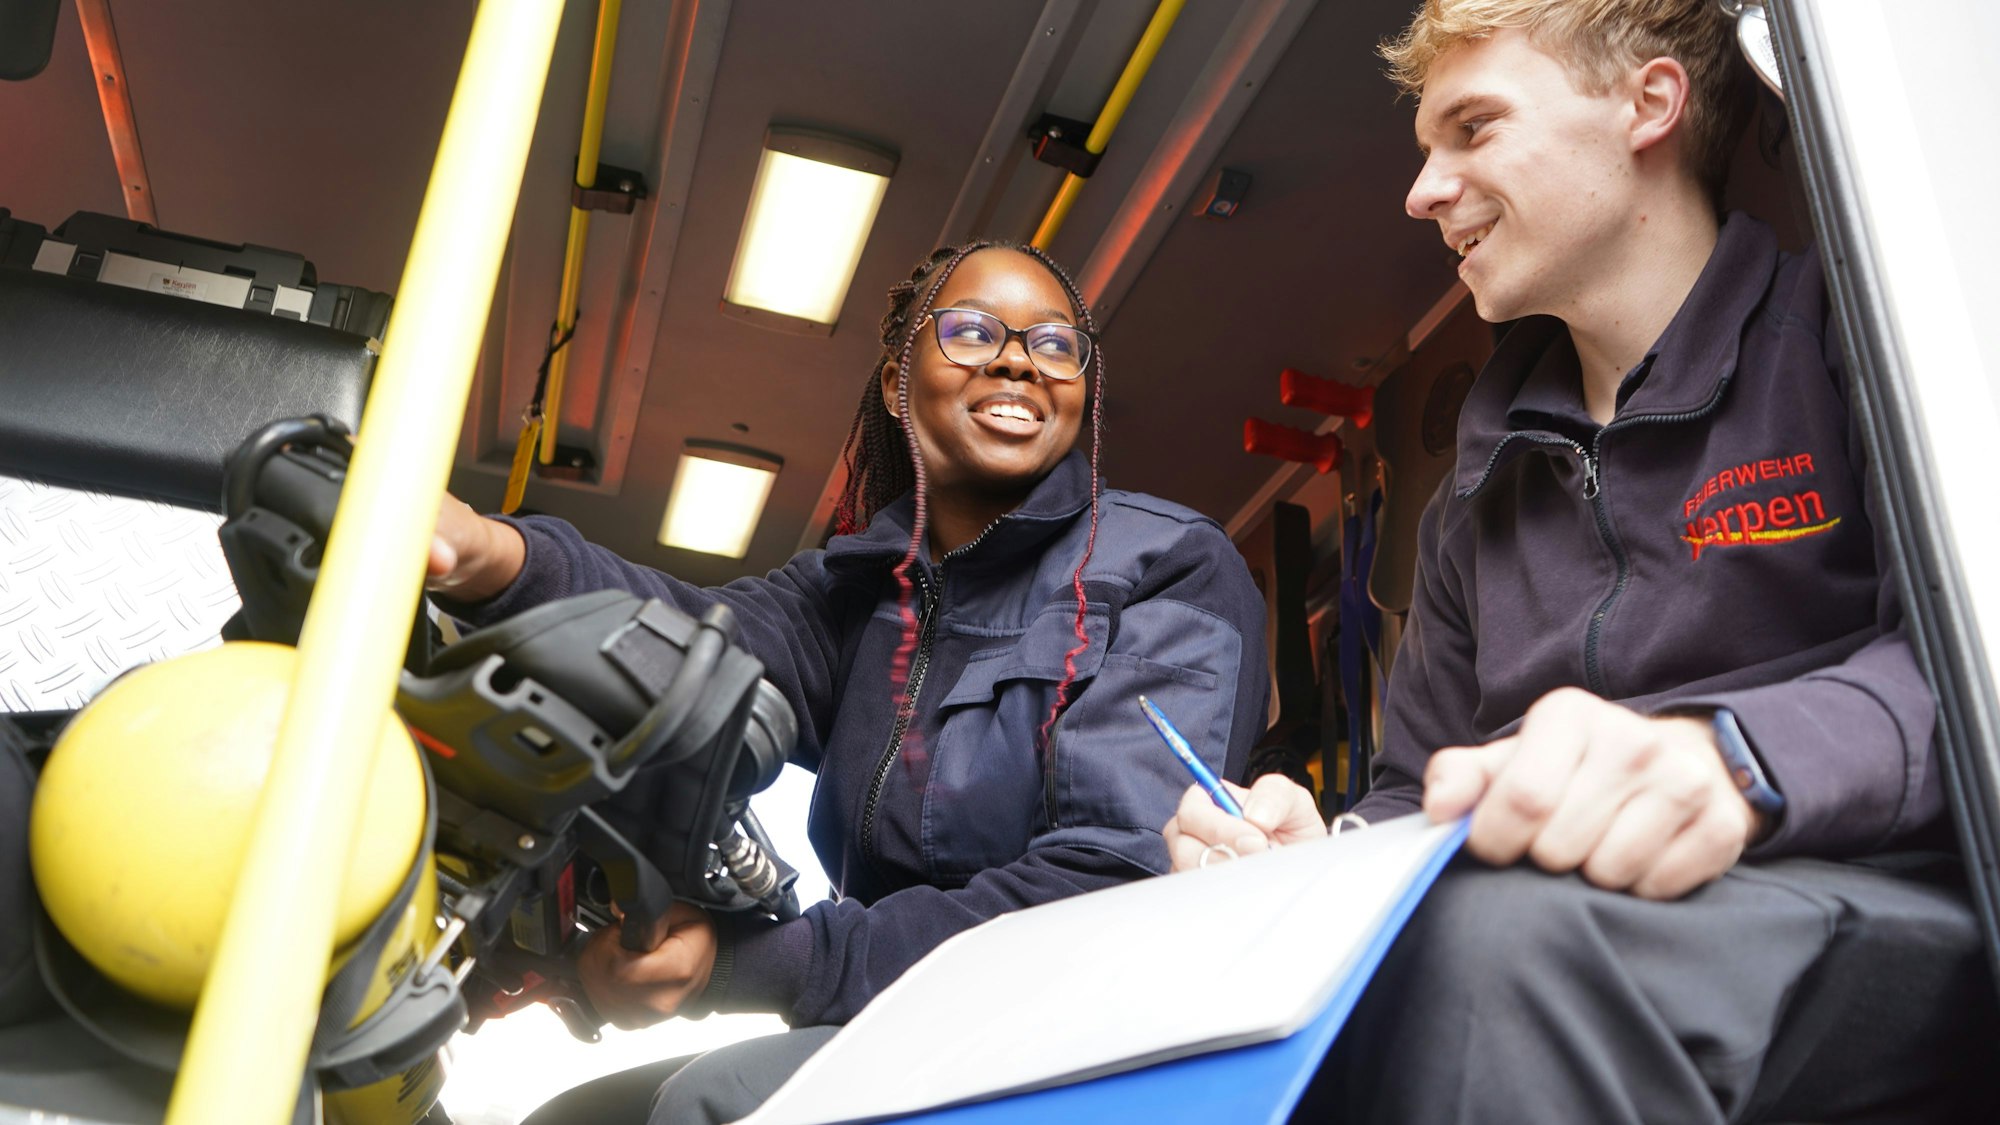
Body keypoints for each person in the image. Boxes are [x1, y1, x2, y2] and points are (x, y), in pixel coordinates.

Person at [1164, 1, 1995, 1120]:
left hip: (1864, 896)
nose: (1420, 192)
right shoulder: (1471, 498)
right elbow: (1416, 787)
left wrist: (1733, 759)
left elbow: (1966, 661)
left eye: (1472, 128)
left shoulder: (1857, 331)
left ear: (1648, 104)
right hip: (1551, 930)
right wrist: (1326, 856)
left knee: (1488, 949)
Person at [428, 240, 1269, 1123]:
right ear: (899, 384)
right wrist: (492, 558)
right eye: (973, 331)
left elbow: (1109, 883)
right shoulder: (863, 592)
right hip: (901, 1023)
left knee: (714, 1102)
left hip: (1083, 1032)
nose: (1020, 359)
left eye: (1055, 344)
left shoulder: (1166, 565)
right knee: (578, 1119)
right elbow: (692, 637)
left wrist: (743, 963)